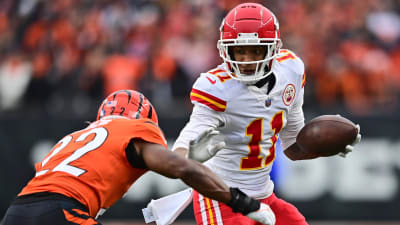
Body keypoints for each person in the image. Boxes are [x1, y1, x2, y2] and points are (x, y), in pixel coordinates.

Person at [171, 2, 361, 225]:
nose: (246, 60)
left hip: (264, 196)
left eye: (256, 49)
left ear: (273, 48)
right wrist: (191, 157)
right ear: (225, 49)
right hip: (220, 199)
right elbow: (178, 156)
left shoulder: (291, 70)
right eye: (239, 50)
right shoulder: (216, 89)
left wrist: (325, 147)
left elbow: (292, 147)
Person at [1, 89, 276, 225]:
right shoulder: (134, 128)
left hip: (17, 212)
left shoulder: (73, 137)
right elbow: (179, 168)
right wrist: (242, 202)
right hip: (61, 212)